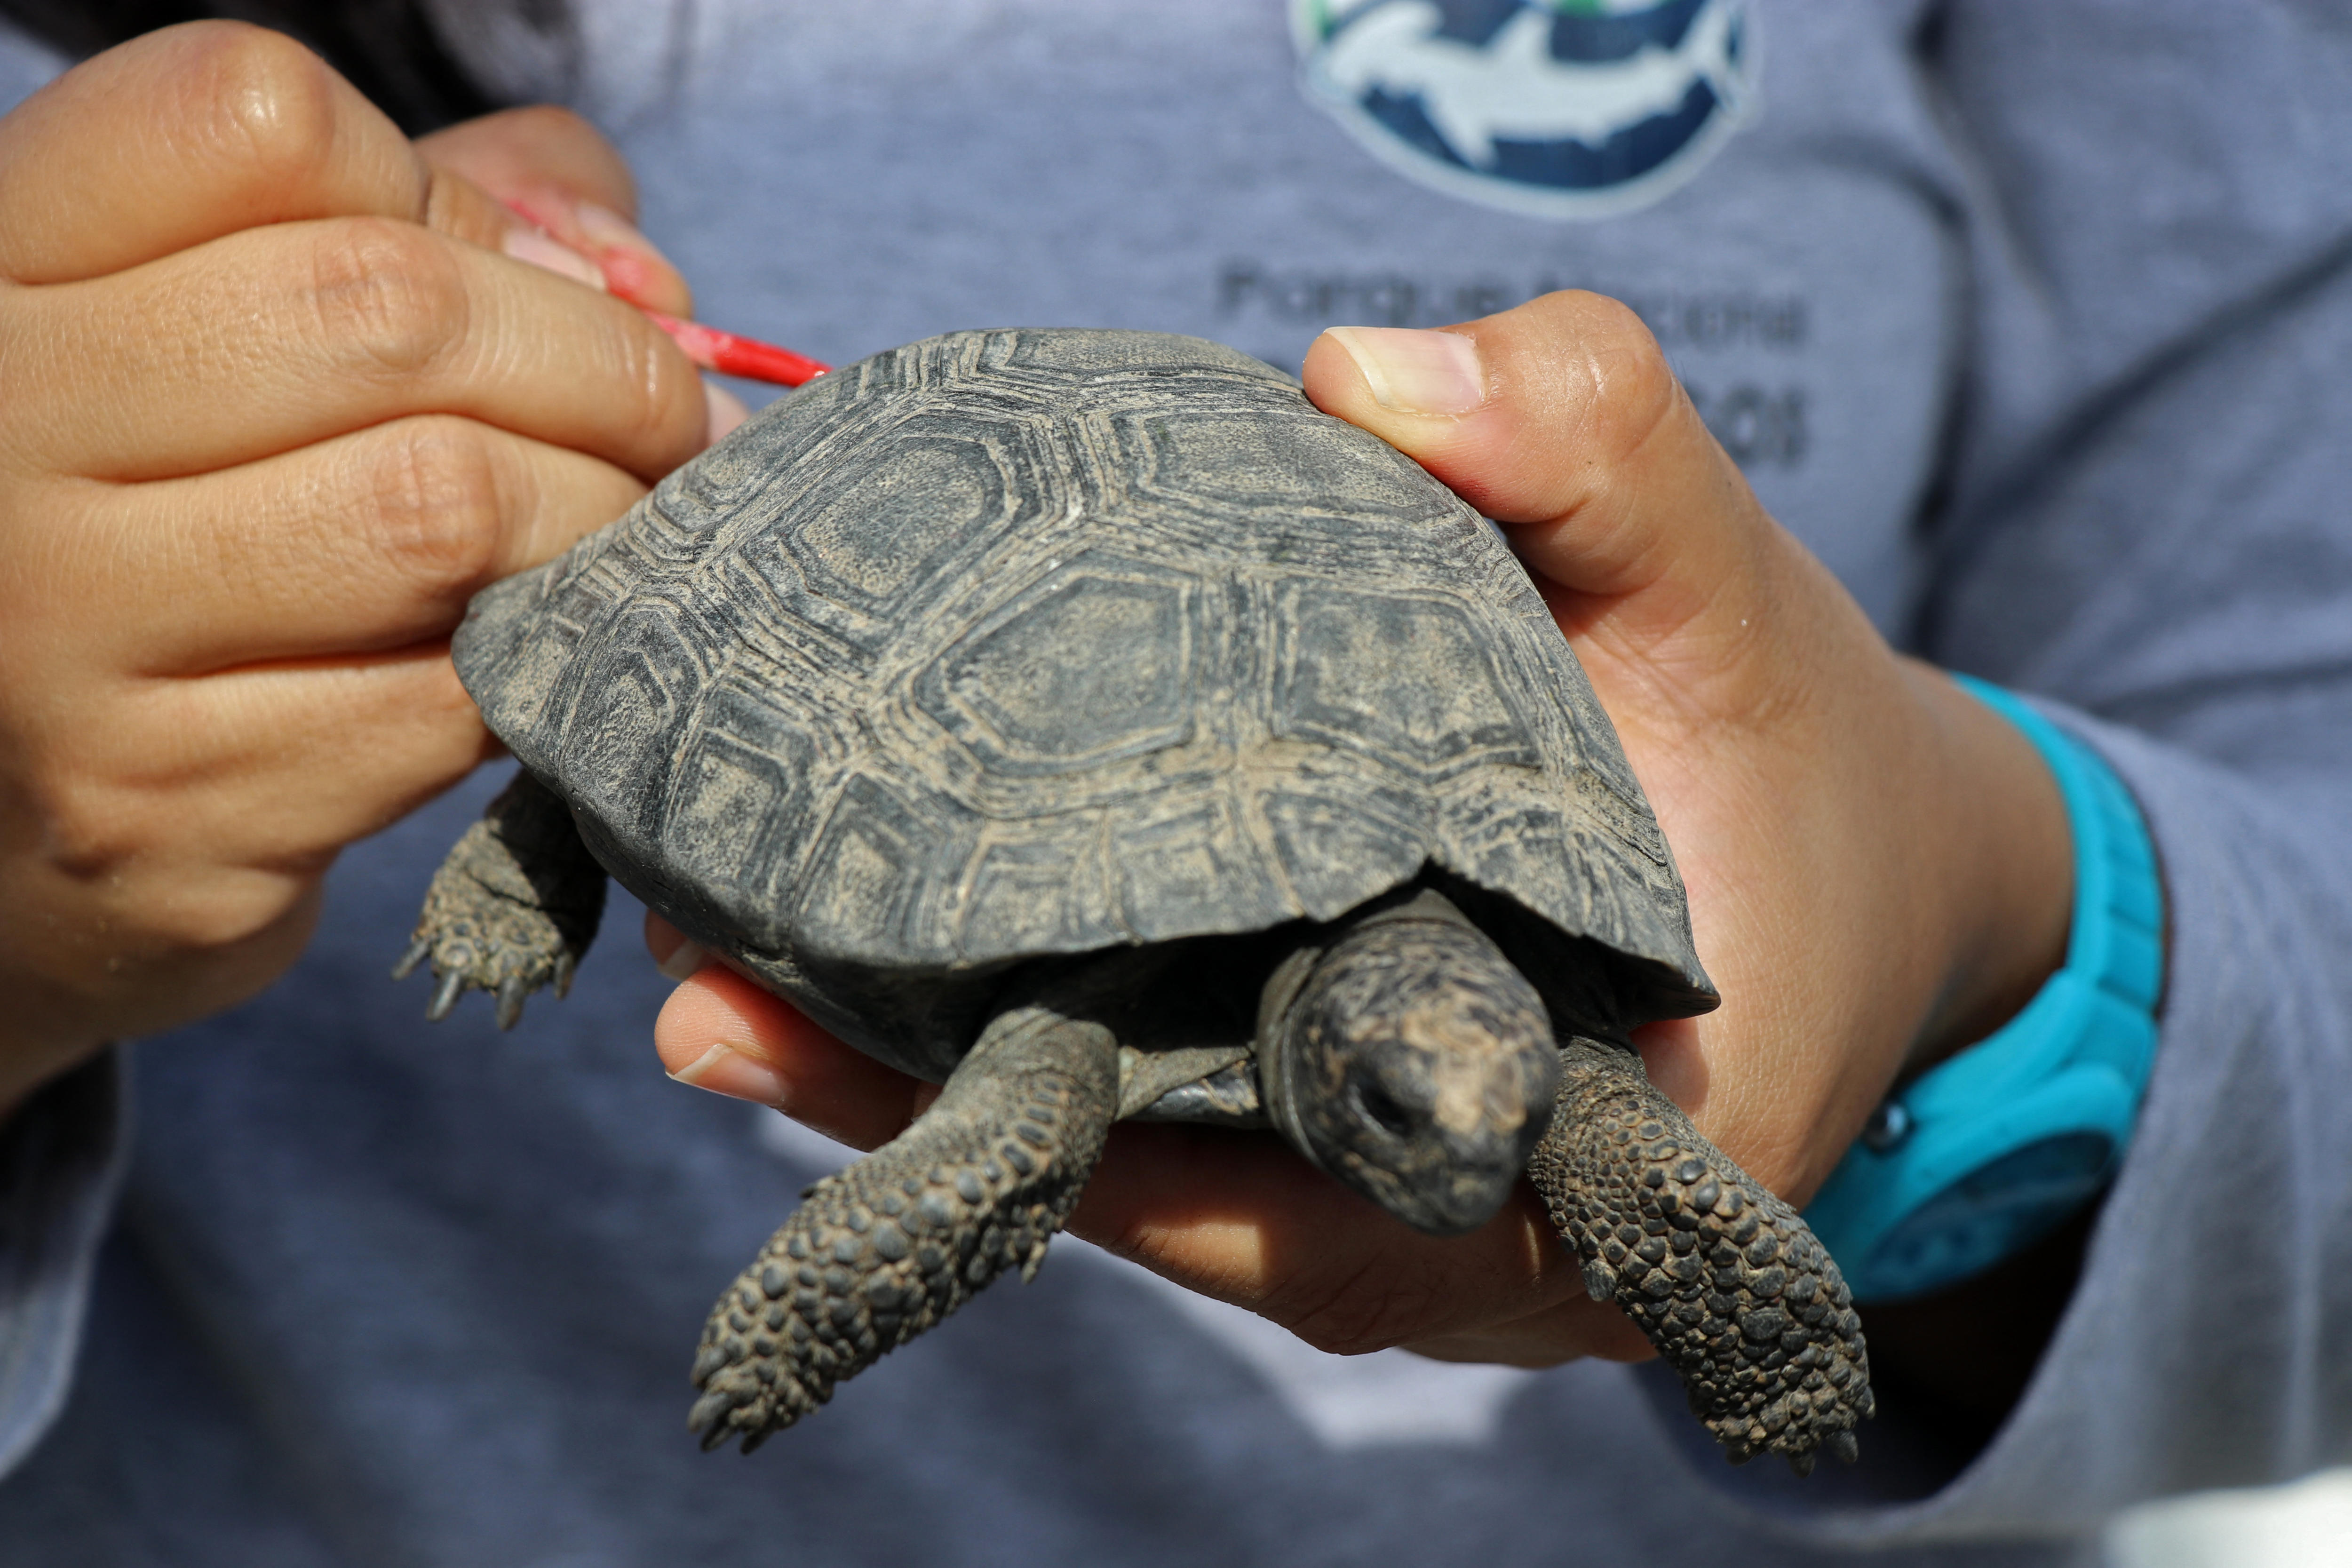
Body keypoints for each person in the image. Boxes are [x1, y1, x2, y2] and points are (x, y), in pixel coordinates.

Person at [0, 4, 2345, 1562]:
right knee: (964, 1109)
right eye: (1433, 1108)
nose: (1460, 1146)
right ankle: (540, 838)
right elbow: (1004, 1121)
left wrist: (1978, 943)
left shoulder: (1514, 1071)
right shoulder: (1069, 1050)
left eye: (1463, 1105)